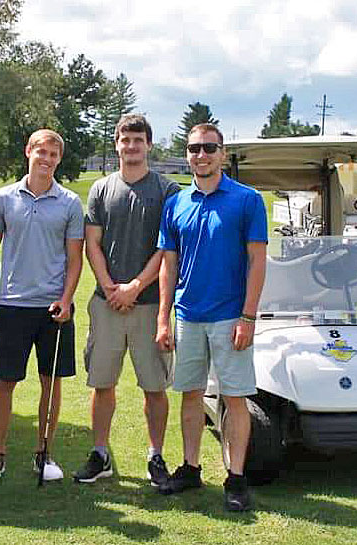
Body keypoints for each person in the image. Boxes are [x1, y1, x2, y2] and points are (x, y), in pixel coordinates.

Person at [156, 123, 267, 512]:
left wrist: (248, 317)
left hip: (230, 318)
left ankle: (235, 477)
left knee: (234, 398)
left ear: (222, 153)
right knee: (190, 394)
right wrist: (163, 318)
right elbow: (168, 265)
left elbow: (257, 261)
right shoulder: (176, 204)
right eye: (194, 149)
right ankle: (190, 467)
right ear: (187, 155)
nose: (201, 155)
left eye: (209, 148)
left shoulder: (247, 200)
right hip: (188, 316)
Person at [73, 114, 179, 485]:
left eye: (138, 139)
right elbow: (93, 244)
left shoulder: (167, 191)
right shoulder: (101, 189)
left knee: (154, 387)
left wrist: (135, 286)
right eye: (125, 139)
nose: (131, 146)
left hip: (150, 305)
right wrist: (111, 287)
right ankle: (100, 454)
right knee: (103, 383)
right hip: (107, 304)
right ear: (116, 144)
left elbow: (167, 249)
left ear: (149, 144)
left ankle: (156, 457)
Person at [0, 129, 84, 483]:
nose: (47, 159)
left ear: (59, 159)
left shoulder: (69, 202)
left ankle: (44, 453)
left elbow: (74, 259)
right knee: (5, 381)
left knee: (50, 383)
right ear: (29, 152)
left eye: (54, 154)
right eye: (42, 152)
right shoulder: (5, 197)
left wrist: (67, 300)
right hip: (13, 305)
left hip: (53, 309)